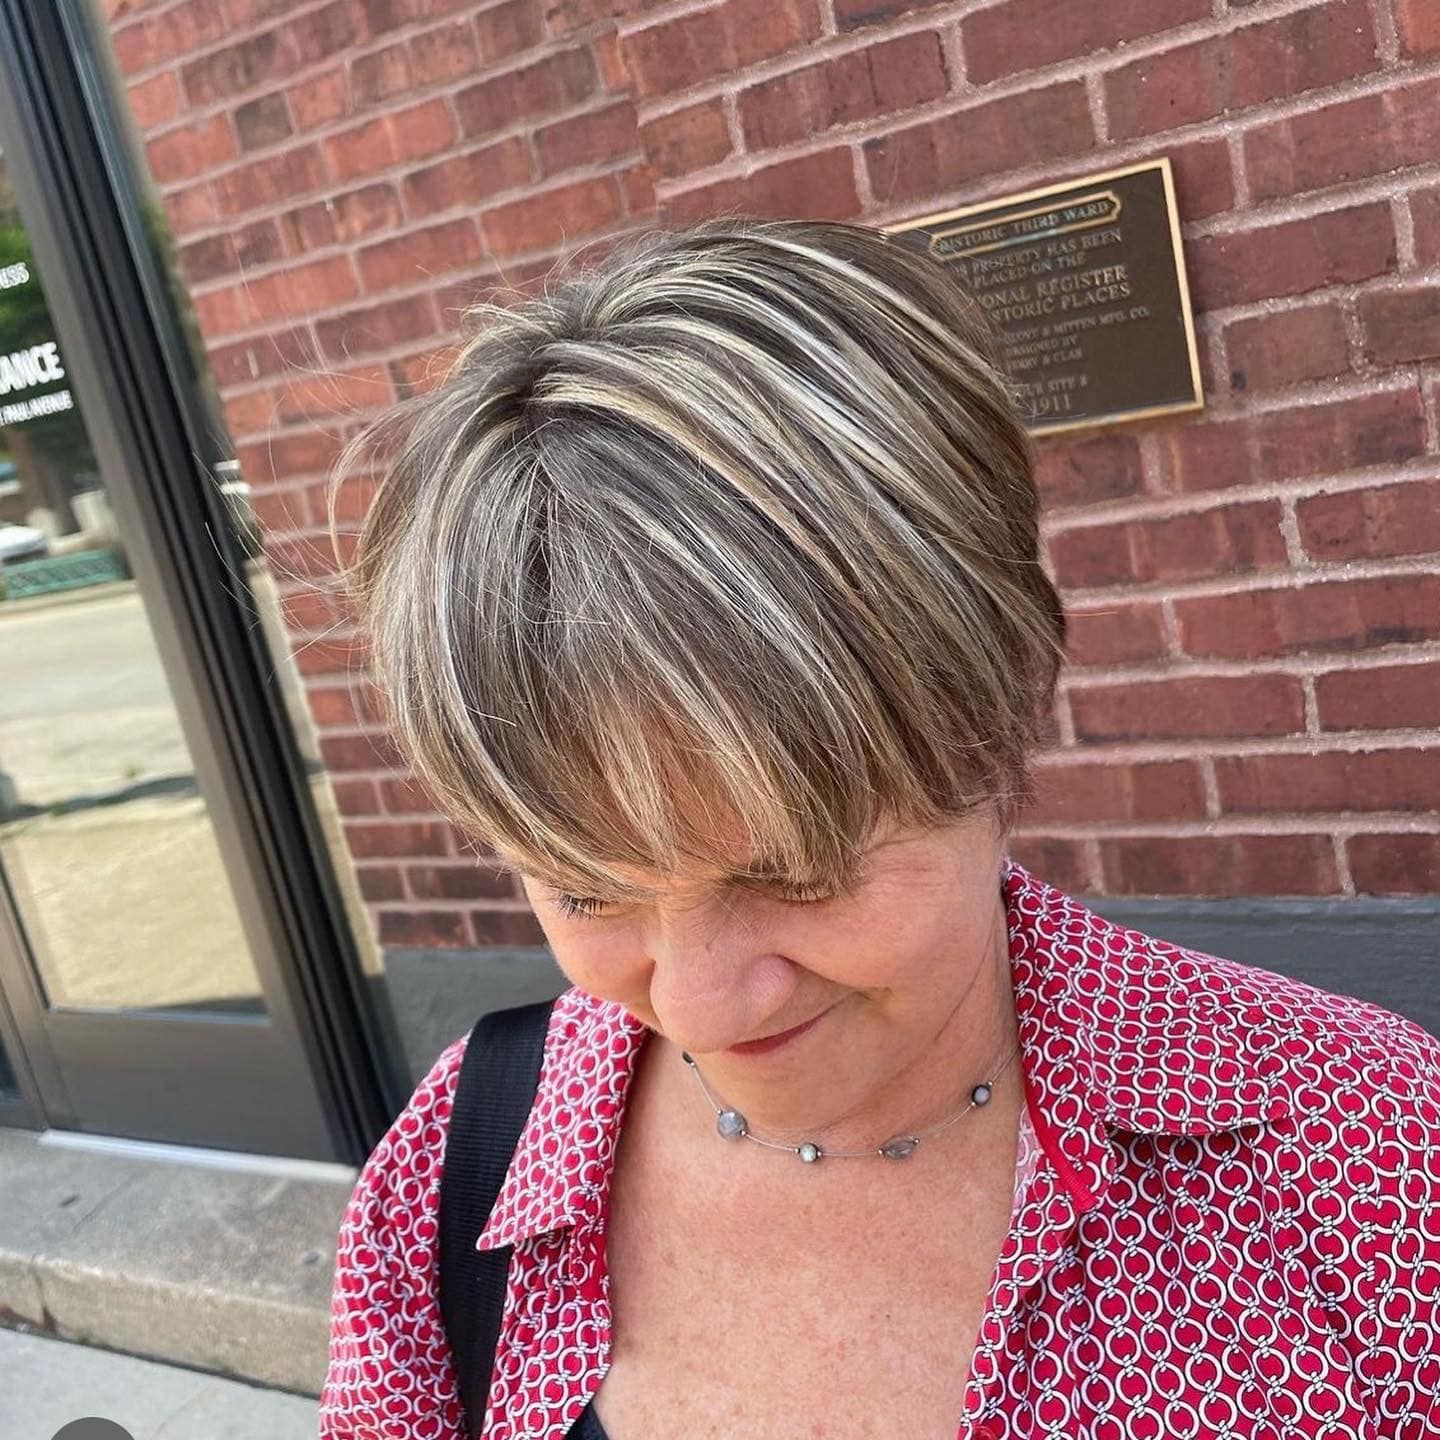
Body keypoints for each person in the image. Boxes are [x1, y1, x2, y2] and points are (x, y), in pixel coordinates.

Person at [317, 217, 1440, 1440]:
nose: (699, 1008)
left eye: (796, 868)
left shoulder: (1366, 1158)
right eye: (585, 887)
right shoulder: (460, 1163)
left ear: (997, 705)